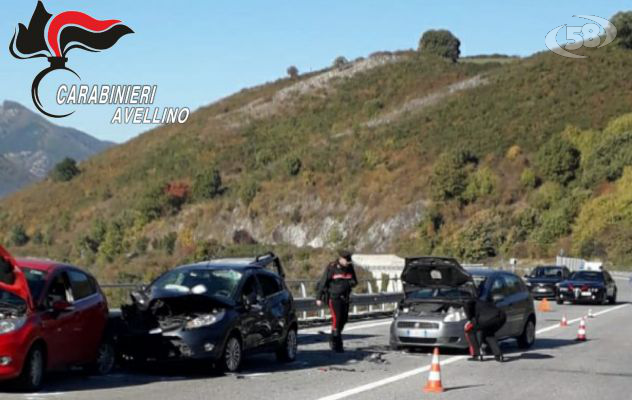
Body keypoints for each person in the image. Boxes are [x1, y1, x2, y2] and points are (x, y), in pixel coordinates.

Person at [316, 250, 358, 352]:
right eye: (346, 261)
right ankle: (337, 344)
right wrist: (318, 297)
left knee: (343, 320)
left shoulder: (349, 268)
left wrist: (349, 283)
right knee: (337, 319)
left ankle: (333, 336)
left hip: (345, 298)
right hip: (334, 298)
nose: (347, 263)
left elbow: (355, 281)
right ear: (341, 259)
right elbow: (323, 282)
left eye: (348, 261)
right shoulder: (332, 267)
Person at [464, 296, 507, 362]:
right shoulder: (482, 301)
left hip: (488, 319)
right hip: (502, 317)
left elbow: (467, 304)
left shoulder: (470, 300)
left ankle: (477, 355)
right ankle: (499, 356)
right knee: (488, 334)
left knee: (470, 331)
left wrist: (469, 319)